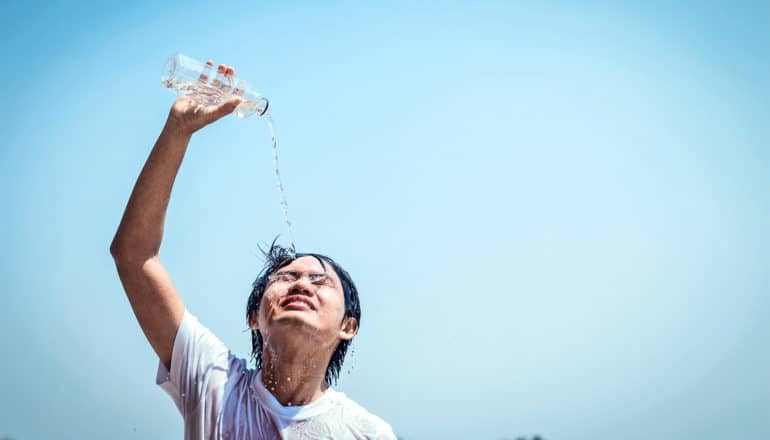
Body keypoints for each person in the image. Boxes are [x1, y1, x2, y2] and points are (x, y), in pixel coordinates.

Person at [110, 60, 396, 440]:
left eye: (319, 281)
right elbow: (134, 255)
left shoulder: (367, 433)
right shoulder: (214, 382)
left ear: (349, 326)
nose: (301, 285)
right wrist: (178, 130)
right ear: (254, 318)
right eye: (285, 278)